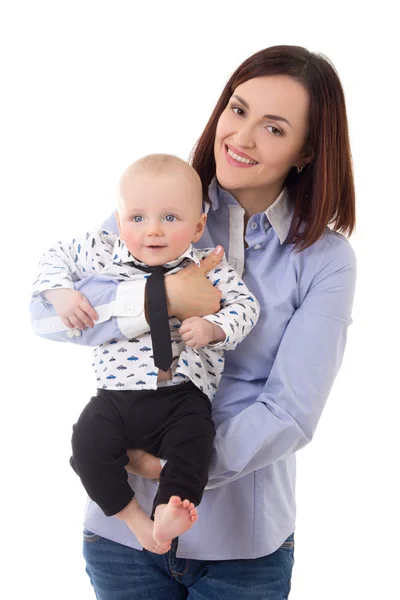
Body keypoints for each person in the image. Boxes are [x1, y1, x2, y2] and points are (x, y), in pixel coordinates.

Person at [30, 45, 357, 599]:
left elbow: (291, 411)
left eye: (274, 128)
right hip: (119, 539)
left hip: (241, 547)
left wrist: (167, 469)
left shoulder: (324, 260)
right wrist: (166, 296)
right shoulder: (162, 210)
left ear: (307, 151)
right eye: (238, 109)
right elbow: (47, 315)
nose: (242, 137)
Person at [32, 154, 260, 554]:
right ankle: (133, 518)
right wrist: (59, 291)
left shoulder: (209, 268)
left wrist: (214, 327)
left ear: (198, 226)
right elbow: (57, 254)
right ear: (119, 223)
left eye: (170, 218)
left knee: (195, 441)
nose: (152, 230)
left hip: (181, 395)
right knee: (86, 443)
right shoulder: (106, 255)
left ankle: (168, 510)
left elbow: (246, 307)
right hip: (115, 397)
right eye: (137, 219)